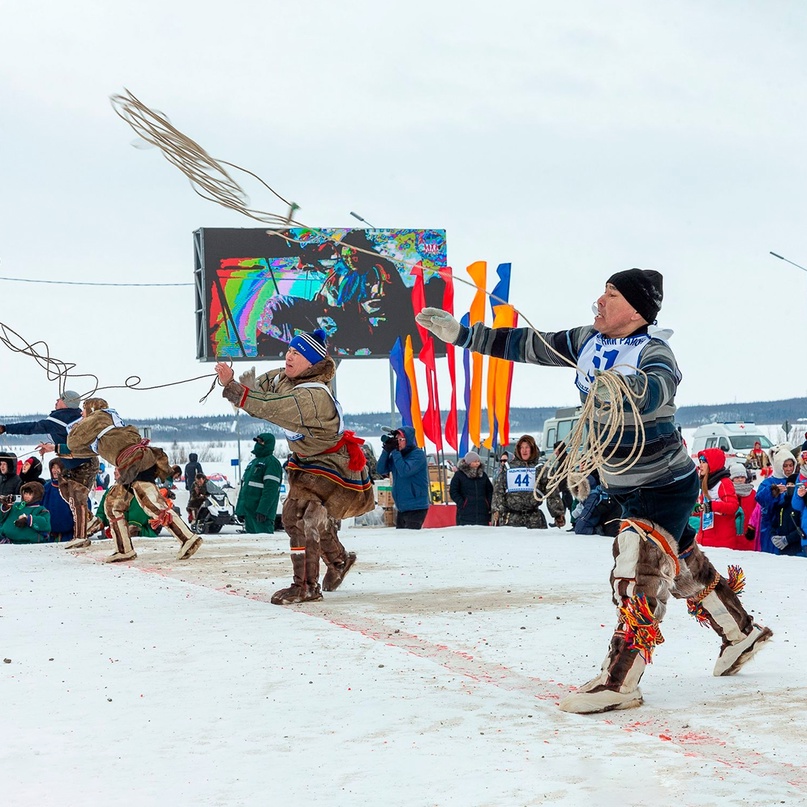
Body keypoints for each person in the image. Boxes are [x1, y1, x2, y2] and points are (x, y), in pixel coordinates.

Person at [417, 267, 772, 714]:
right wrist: (464, 335)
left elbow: (659, 388)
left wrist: (626, 389)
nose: (599, 302)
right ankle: (741, 632)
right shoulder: (588, 340)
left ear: (635, 308)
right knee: (683, 568)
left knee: (637, 568)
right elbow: (529, 344)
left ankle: (621, 679)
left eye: (610, 294)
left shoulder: (654, 351)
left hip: (663, 484)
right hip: (621, 482)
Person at [214, 328, 374, 604]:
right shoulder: (287, 377)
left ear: (311, 363)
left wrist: (234, 389)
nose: (288, 356)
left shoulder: (311, 396)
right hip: (308, 462)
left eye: (296, 353)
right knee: (297, 517)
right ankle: (338, 561)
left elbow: (270, 407)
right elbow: (263, 388)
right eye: (289, 350)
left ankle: (306, 586)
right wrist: (239, 386)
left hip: (333, 466)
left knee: (303, 517)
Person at [38, 398, 201, 563]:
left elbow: (73, 441)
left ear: (91, 411)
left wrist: (75, 427)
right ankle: (124, 549)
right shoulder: (105, 427)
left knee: (151, 502)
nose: (81, 414)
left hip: (135, 462)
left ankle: (187, 538)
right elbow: (79, 450)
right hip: (131, 463)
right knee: (113, 504)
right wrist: (55, 448)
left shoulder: (98, 417)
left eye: (83, 411)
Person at [491, 434, 564, 529]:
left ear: (532, 449)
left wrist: (558, 514)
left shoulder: (540, 469)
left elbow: (552, 492)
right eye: (522, 447)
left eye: (527, 447)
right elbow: (498, 491)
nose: (524, 450)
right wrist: (496, 511)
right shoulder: (508, 468)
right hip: (511, 519)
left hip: (534, 519)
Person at [376, 426, 431, 529]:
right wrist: (386, 451)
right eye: (397, 440)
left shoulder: (418, 455)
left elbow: (404, 471)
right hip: (402, 507)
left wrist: (395, 452)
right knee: (402, 540)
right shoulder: (397, 456)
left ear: (408, 440)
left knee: (411, 539)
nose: (398, 443)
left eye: (401, 440)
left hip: (416, 506)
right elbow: (380, 469)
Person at [756, 448, 801, 557]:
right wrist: (773, 491)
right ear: (778, 466)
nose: (789, 469)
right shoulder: (769, 482)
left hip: (793, 528)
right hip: (771, 528)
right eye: (785, 466)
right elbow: (759, 498)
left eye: (791, 465)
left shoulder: (797, 480)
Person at [693, 449, 741, 551]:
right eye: (700, 462)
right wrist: (697, 509)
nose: (700, 466)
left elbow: (732, 506)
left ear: (712, 464)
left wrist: (711, 506)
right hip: (705, 539)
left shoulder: (724, 483)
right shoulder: (705, 483)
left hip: (721, 541)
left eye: (704, 462)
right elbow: (706, 508)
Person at [235, 433, 283, 534]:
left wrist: (263, 510)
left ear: (268, 444)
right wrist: (240, 509)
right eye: (257, 441)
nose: (258, 444)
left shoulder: (272, 463)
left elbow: (271, 490)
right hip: (249, 514)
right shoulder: (253, 463)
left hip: (261, 516)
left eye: (261, 442)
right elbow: (244, 488)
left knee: (264, 546)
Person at [449, 451, 493, 526]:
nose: (477, 463)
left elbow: (490, 490)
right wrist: (462, 503)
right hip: (465, 513)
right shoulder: (459, 475)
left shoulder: (483, 475)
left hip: (482, 513)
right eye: (475, 461)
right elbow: (453, 491)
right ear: (468, 462)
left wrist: (487, 503)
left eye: (478, 461)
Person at [42, 458, 77, 542]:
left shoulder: (72, 487)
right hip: (49, 535)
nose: (55, 470)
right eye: (53, 467)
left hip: (68, 534)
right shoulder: (46, 489)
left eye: (58, 468)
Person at [729, 462, 757, 550]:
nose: (740, 480)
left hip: (748, 533)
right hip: (731, 534)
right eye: (737, 477)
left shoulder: (752, 494)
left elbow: (756, 513)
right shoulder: (727, 492)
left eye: (742, 477)